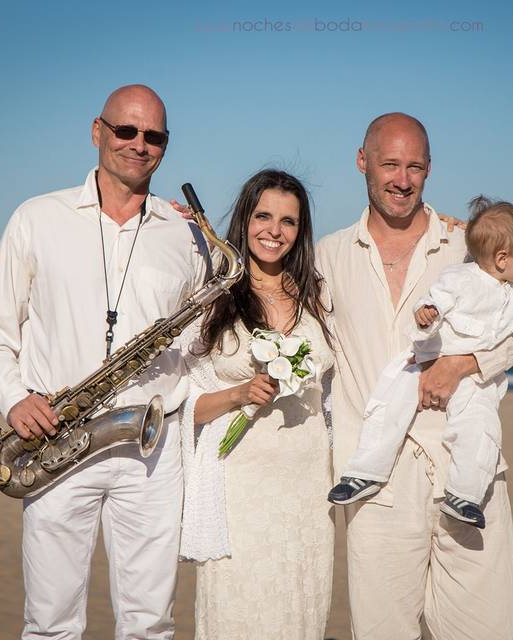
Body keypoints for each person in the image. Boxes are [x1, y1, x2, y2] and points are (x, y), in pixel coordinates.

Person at [0, 85, 210, 640]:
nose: (139, 144)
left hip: (152, 449)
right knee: (50, 622)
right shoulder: (36, 217)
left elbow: (198, 344)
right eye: (125, 130)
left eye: (154, 136)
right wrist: (12, 398)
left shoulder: (186, 234)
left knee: (150, 623)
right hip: (57, 438)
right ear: (97, 131)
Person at [315, 112, 513, 640]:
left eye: (415, 167)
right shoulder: (325, 257)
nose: (402, 180)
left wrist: (469, 363)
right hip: (375, 485)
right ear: (362, 162)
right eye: (390, 164)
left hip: (467, 472)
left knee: (494, 629)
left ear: (429, 170)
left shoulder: (467, 244)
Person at [329, 196, 513, 528]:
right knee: (389, 408)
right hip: (424, 360)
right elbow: (434, 302)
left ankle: (465, 494)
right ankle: (364, 472)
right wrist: (426, 316)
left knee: (479, 428)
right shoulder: (461, 277)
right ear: (502, 258)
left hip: (476, 378)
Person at [176, 169, 335, 640]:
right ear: (244, 219)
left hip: (307, 487)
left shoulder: (318, 295)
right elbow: (184, 407)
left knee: (301, 612)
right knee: (239, 613)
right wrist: (240, 393)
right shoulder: (212, 299)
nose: (274, 230)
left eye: (288, 221)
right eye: (263, 215)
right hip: (240, 487)